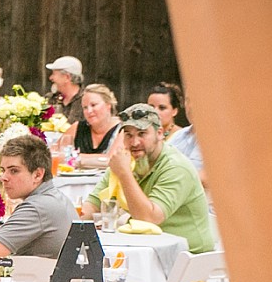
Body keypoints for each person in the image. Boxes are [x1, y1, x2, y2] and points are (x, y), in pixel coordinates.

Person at [81, 103, 215, 253]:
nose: (134, 142)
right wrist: (75, 222)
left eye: (142, 134)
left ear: (159, 133)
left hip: (187, 257)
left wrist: (124, 174)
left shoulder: (176, 167)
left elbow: (148, 219)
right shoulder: (126, 160)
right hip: (147, 249)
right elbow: (93, 205)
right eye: (128, 135)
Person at [0, 136, 74, 261]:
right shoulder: (57, 197)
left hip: (37, 279)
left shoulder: (37, 208)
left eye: (14, 171)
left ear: (38, 175)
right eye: (3, 170)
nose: (4, 177)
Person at [148, 81, 206, 186]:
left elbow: (211, 178)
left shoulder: (221, 139)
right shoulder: (179, 136)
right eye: (188, 100)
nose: (191, 106)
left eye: (196, 100)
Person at [68, 84, 122, 168]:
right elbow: (56, 153)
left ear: (108, 105)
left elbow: (112, 159)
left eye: (93, 105)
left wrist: (76, 157)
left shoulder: (122, 129)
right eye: (85, 107)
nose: (89, 111)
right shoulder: (77, 127)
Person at [46, 56, 84, 127]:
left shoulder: (87, 101)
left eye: (54, 74)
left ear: (67, 77)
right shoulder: (49, 99)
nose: (51, 78)